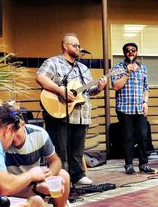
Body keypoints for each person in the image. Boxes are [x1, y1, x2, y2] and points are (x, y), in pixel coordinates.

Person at [3, 103, 86, 207]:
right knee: (37, 202)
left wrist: (49, 174)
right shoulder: (0, 142)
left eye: (16, 131)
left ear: (23, 125)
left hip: (34, 180)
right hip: (13, 186)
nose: (14, 138)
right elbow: (4, 185)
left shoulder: (38, 134)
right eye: (10, 133)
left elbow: (56, 161)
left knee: (63, 175)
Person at [36, 33, 107, 185]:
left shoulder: (83, 68)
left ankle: (78, 175)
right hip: (59, 112)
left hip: (81, 115)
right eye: (75, 45)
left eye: (79, 46)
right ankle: (60, 177)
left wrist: (99, 88)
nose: (78, 48)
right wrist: (61, 91)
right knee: (59, 149)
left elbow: (88, 91)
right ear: (65, 46)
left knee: (78, 149)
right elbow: (40, 78)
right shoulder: (53, 62)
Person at [112, 42, 155, 175]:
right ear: (124, 53)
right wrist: (127, 72)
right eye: (128, 50)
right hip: (124, 108)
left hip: (139, 108)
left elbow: (146, 88)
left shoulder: (143, 68)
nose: (131, 52)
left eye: (133, 50)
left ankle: (143, 164)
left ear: (137, 52)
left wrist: (145, 102)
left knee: (143, 135)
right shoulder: (118, 67)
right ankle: (129, 164)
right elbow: (116, 86)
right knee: (128, 137)